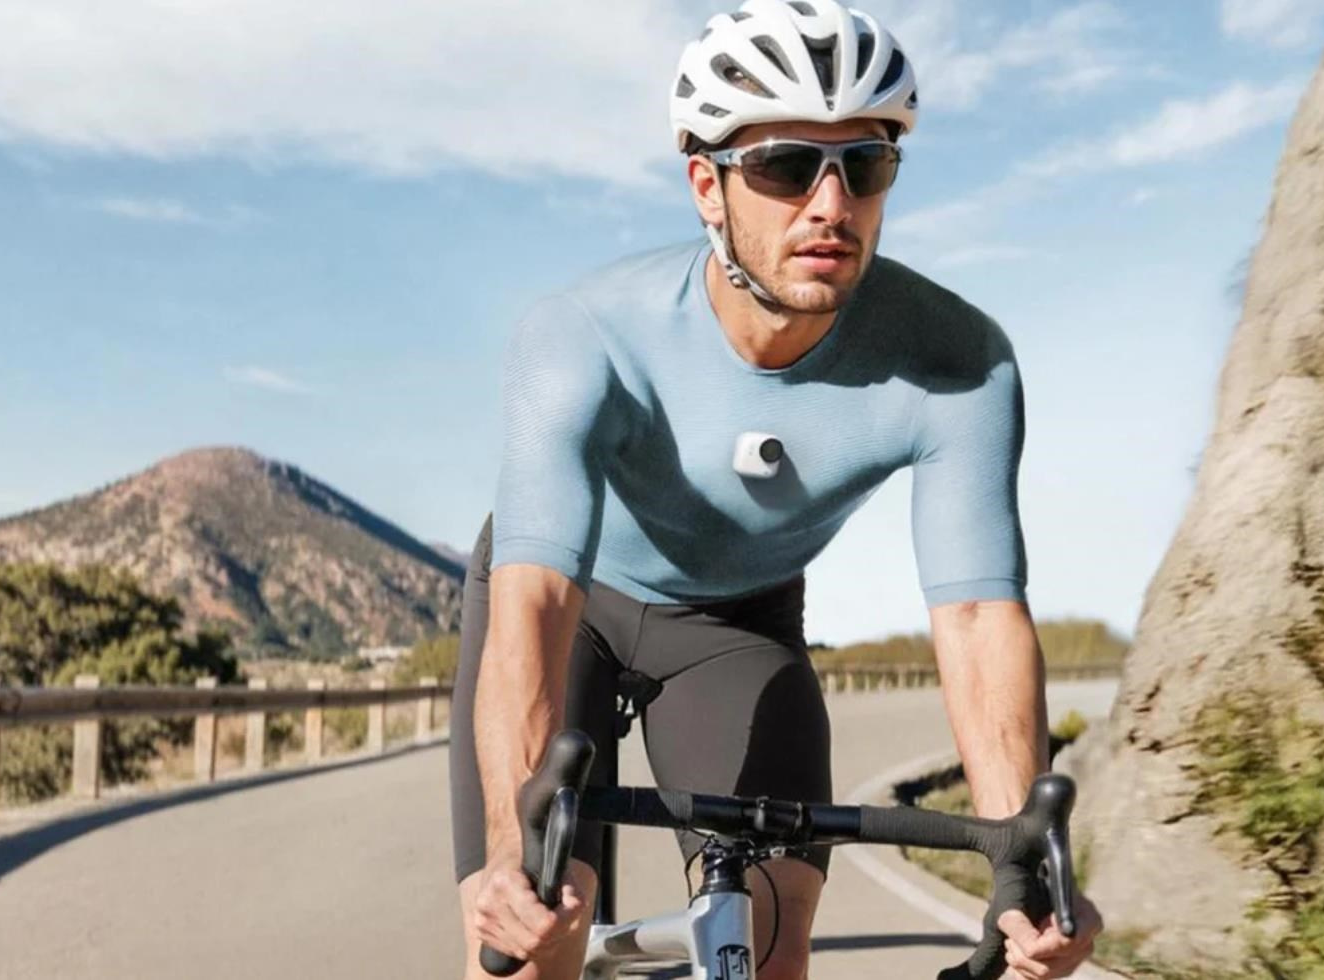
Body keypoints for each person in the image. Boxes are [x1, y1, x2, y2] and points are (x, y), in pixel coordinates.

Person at [448, 2, 1105, 977]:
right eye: (787, 166)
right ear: (706, 187)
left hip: (737, 625)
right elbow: (537, 599)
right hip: (571, 605)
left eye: (865, 165)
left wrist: (1023, 863)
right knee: (530, 932)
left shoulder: (956, 363)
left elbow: (976, 617)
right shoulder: (584, 337)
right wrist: (515, 849)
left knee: (764, 944)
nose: (831, 203)